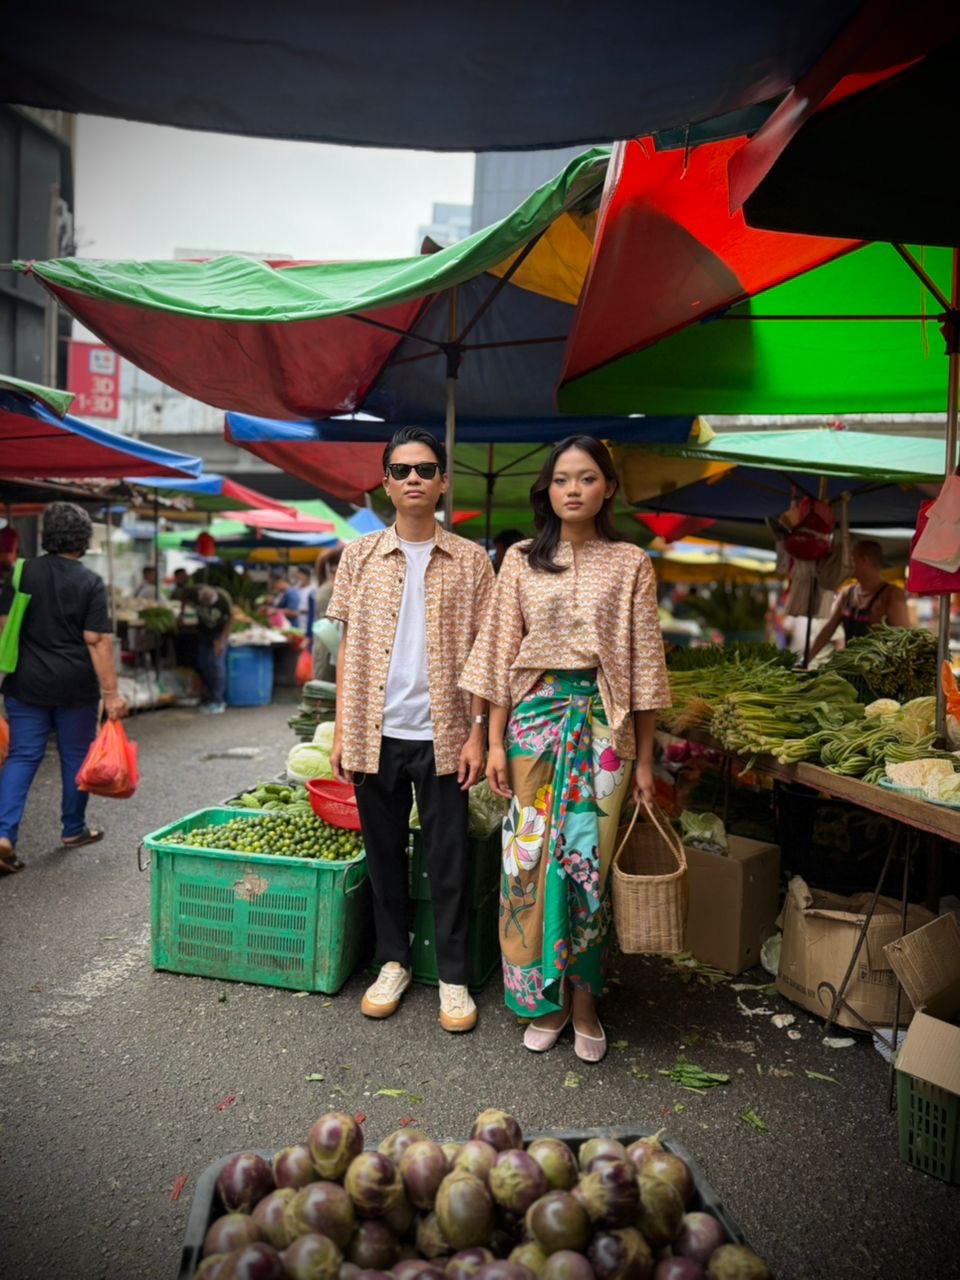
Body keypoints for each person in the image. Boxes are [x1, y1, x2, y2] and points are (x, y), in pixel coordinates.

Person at [460, 435, 669, 1063]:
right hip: (530, 724)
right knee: (526, 864)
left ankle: (584, 1001)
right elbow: (499, 654)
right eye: (560, 479)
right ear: (546, 490)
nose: (572, 489)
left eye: (585, 478)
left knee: (587, 870)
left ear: (607, 486)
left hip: (606, 731)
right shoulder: (522, 559)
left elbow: (646, 668)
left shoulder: (632, 561)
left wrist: (648, 761)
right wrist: (494, 743)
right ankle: (539, 1001)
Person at [327, 427, 494, 1034]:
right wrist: (343, 728)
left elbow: (485, 654)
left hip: (445, 733)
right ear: (386, 482)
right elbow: (345, 648)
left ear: (444, 481)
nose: (414, 478)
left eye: (426, 469)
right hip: (377, 732)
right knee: (384, 856)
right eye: (401, 470)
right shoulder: (359, 556)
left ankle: (453, 977)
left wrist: (478, 732)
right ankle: (392, 962)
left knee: (449, 860)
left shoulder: (473, 560)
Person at [0, 502, 129, 874]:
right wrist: (111, 694)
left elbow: (5, 624)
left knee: (23, 756)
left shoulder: (21, 573)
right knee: (75, 757)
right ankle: (73, 830)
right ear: (84, 538)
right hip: (76, 686)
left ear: (46, 536)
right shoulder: (89, 582)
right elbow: (98, 640)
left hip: (26, 683)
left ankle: (4, 834)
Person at [805, 539, 910, 664]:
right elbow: (827, 631)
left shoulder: (892, 595)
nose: (847, 564)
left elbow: (904, 639)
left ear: (864, 560)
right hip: (851, 667)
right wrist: (806, 660)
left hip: (878, 672)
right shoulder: (847, 593)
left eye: (851, 559)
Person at [194, 583, 233, 714]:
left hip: (218, 635)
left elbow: (230, 619)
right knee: (204, 664)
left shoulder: (223, 599)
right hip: (203, 634)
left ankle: (218, 700)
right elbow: (184, 597)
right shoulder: (195, 593)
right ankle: (208, 697)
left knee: (217, 666)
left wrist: (221, 640)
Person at [312, 547, 342, 683]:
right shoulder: (329, 591)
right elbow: (331, 623)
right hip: (329, 651)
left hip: (330, 649)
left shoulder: (332, 588)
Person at [293, 565, 316, 631]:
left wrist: (302, 611)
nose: (298, 578)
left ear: (306, 576)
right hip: (297, 623)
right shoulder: (297, 588)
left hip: (307, 623)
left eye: (299, 575)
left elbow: (315, 608)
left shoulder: (312, 589)